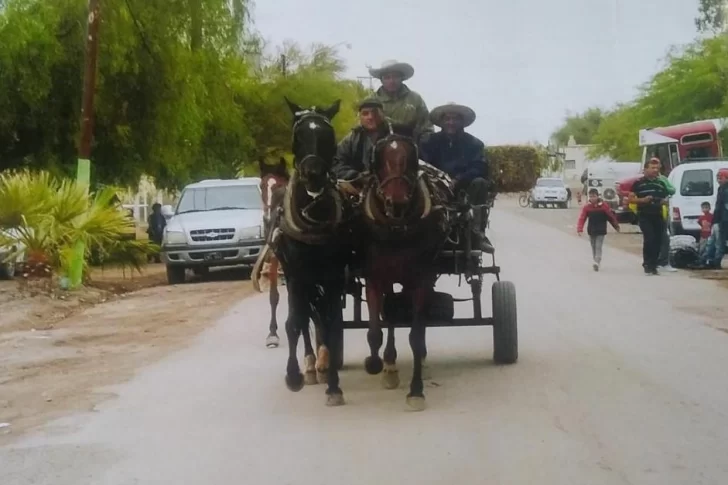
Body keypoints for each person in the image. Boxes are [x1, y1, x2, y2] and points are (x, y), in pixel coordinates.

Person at [418, 102, 493, 253]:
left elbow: (480, 167)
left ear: (462, 122)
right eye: (447, 119)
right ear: (441, 122)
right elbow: (423, 164)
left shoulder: (475, 144)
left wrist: (458, 179)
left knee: (480, 183)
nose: (451, 123)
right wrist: (439, 181)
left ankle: (478, 233)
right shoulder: (429, 142)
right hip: (434, 188)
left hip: (464, 189)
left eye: (455, 119)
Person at [368, 60, 433, 143]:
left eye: (395, 76)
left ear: (402, 78)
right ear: (381, 80)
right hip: (378, 146)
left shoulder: (415, 99)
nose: (392, 81)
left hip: (411, 146)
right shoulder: (371, 101)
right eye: (387, 77)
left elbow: (426, 127)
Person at [332, 98, 393, 181]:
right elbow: (336, 164)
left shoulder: (394, 137)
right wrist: (355, 175)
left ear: (383, 115)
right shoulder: (351, 140)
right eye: (365, 114)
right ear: (360, 117)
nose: (370, 117)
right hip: (359, 186)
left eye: (375, 113)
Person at [628, 158, 671, 275]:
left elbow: (666, 198)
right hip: (644, 215)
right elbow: (630, 199)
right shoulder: (638, 184)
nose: (655, 170)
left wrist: (663, 201)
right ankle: (647, 263)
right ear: (645, 169)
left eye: (657, 168)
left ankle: (654, 265)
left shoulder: (660, 183)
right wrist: (643, 200)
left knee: (658, 240)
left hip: (658, 215)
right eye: (652, 168)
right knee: (649, 239)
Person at [576, 188, 620, 271]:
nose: (593, 198)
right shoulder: (587, 207)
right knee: (593, 246)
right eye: (591, 196)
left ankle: (597, 261)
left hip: (601, 230)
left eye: (594, 196)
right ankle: (596, 261)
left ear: (597, 196)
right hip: (591, 230)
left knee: (598, 246)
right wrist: (579, 229)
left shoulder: (604, 206)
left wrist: (616, 226)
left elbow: (610, 217)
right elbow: (582, 218)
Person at [704, 168, 728, 269]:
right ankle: (708, 260)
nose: (718, 180)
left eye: (720, 178)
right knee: (712, 241)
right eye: (717, 178)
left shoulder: (726, 190)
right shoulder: (721, 189)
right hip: (719, 220)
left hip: (724, 221)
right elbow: (718, 207)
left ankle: (716, 262)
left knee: (719, 242)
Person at [655, 169, 678, 272]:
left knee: (665, 238)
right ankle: (655, 262)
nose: (655, 169)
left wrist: (663, 182)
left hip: (663, 213)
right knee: (653, 239)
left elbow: (672, 190)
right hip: (649, 214)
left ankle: (663, 262)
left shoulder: (663, 179)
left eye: (657, 167)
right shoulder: (644, 182)